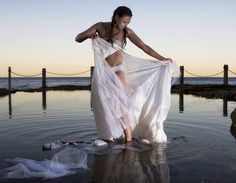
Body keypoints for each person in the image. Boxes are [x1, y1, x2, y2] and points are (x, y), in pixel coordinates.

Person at [75, 6, 177, 143]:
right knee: (108, 106)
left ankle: (128, 139)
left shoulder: (126, 32)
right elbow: (78, 38)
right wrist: (90, 35)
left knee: (120, 104)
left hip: (118, 71)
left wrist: (162, 58)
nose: (126, 25)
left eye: (128, 22)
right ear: (117, 17)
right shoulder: (100, 26)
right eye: (124, 21)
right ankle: (116, 134)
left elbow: (144, 46)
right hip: (104, 73)